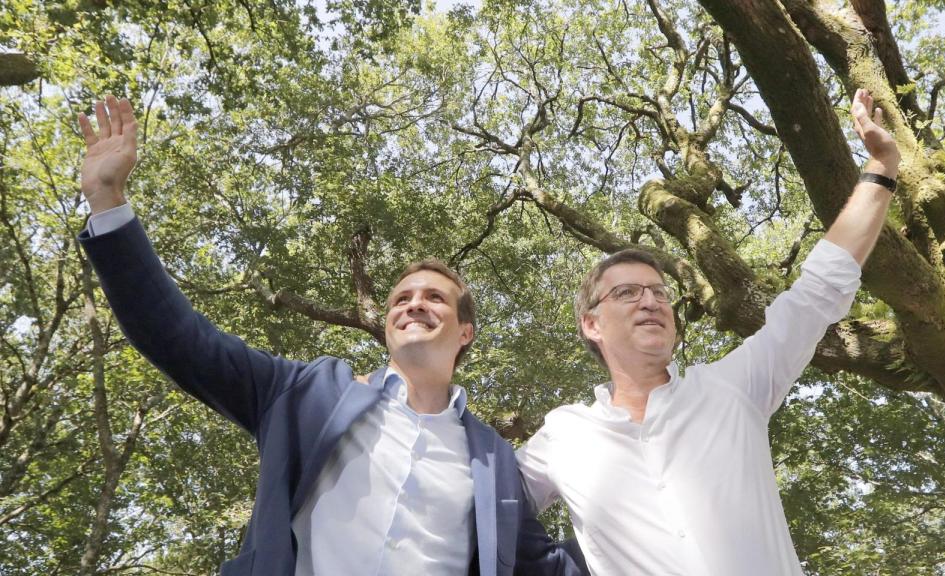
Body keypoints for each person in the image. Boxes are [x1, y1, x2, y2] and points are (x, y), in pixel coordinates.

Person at [76, 96, 586, 576]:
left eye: (434, 298)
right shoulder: (306, 394)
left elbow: (550, 566)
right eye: (401, 299)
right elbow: (182, 340)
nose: (413, 304)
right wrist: (108, 203)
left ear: (465, 332)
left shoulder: (493, 458)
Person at [515, 88, 900, 575]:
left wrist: (882, 166)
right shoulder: (563, 436)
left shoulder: (733, 387)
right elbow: (477, 511)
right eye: (627, 293)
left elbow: (818, 291)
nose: (652, 300)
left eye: (658, 291)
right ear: (591, 324)